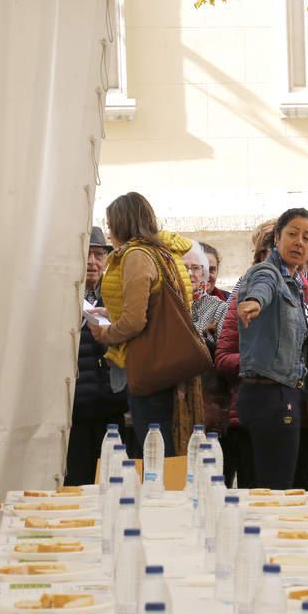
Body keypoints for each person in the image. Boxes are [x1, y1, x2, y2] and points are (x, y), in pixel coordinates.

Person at [89, 192, 193, 455]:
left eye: (111, 224)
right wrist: (115, 315)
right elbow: (155, 308)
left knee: (156, 448)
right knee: (169, 443)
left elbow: (135, 321)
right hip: (171, 360)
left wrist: (106, 332)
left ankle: (162, 495)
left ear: (121, 224)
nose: (110, 231)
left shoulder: (136, 255)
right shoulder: (168, 252)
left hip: (149, 366)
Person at [235, 208, 308, 489]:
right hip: (270, 396)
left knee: (261, 489)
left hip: (275, 394)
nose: (299, 242)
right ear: (277, 238)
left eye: (307, 237)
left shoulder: (294, 282)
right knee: (276, 491)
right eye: (292, 234)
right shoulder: (267, 271)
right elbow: (262, 287)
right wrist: (254, 302)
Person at [66, 227, 128, 486]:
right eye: (87, 253)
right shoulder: (65, 296)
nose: (92, 261)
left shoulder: (115, 295)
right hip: (76, 409)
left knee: (114, 482)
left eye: (98, 254)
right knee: (79, 481)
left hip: (111, 406)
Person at [183, 241, 230, 442]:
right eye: (185, 268)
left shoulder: (217, 307)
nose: (191, 273)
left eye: (196, 268)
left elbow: (223, 352)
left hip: (208, 399)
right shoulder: (166, 306)